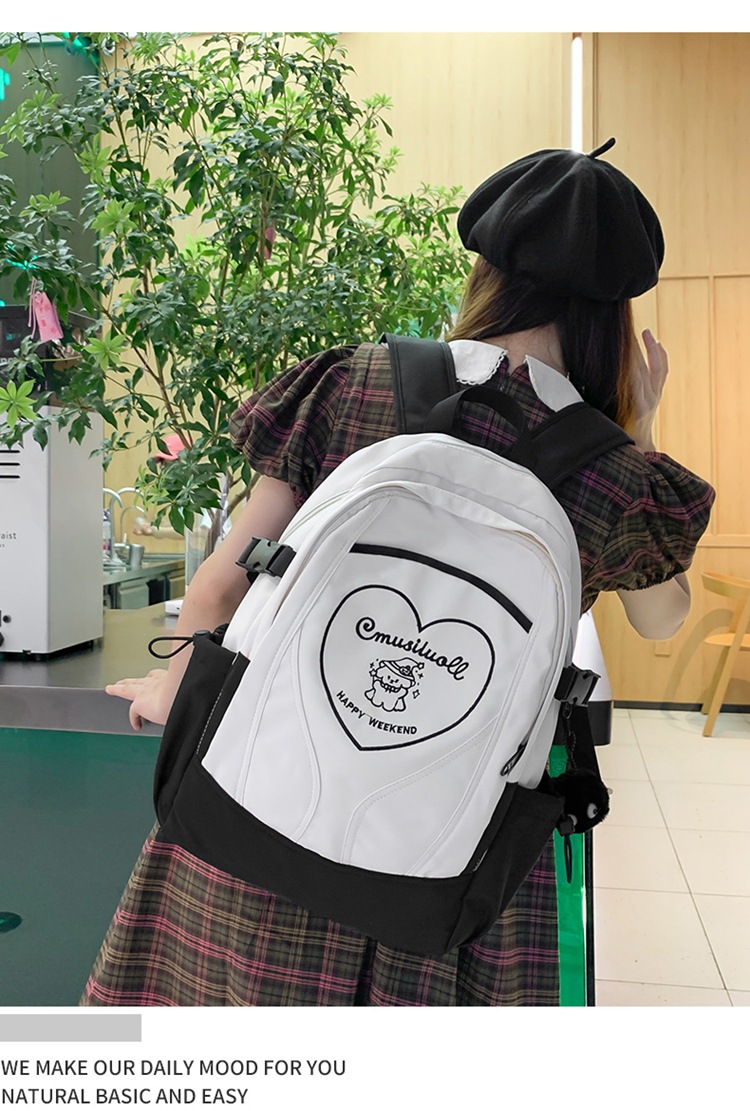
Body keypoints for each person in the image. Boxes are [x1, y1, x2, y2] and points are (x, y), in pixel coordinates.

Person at [81, 139, 714, 1007]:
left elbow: (227, 581)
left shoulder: (354, 383)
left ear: (487, 271)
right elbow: (661, 619)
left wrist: (173, 681)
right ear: (614, 316)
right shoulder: (612, 473)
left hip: (262, 812)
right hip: (450, 862)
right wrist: (637, 432)